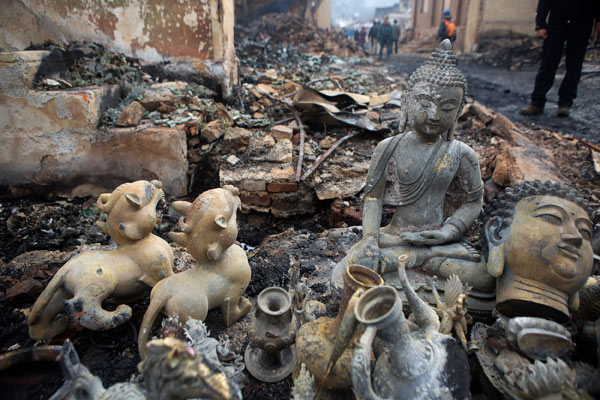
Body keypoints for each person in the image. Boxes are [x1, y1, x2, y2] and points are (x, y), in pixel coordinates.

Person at [330, 40, 492, 297]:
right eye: (425, 103)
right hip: (395, 238)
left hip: (440, 244)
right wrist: (370, 241)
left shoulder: (461, 154)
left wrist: (449, 231)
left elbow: (474, 201)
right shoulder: (389, 147)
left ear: (459, 111)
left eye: (447, 108)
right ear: (406, 102)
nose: (434, 115)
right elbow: (373, 198)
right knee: (355, 266)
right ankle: (408, 261)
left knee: (485, 278)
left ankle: (407, 262)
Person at [520, 0, 600, 118]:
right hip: (558, 20)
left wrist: (598, 21)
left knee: (574, 66)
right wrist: (540, 24)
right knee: (548, 62)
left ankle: (565, 103)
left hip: (582, 22)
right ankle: (537, 102)